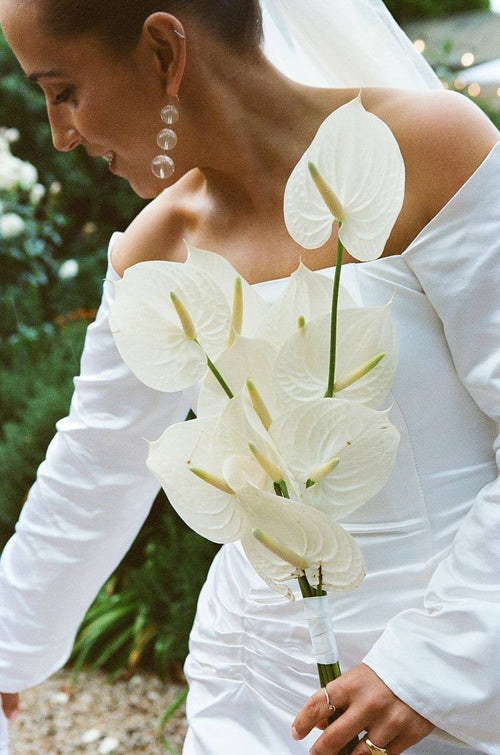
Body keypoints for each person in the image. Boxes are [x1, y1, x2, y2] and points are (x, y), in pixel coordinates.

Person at [0, 0, 498, 753]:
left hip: (449, 689)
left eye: (63, 90)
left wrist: (432, 666)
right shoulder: (156, 250)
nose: (61, 135)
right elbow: (95, 467)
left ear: (165, 51)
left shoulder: (432, 151)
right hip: (251, 699)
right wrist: (6, 650)